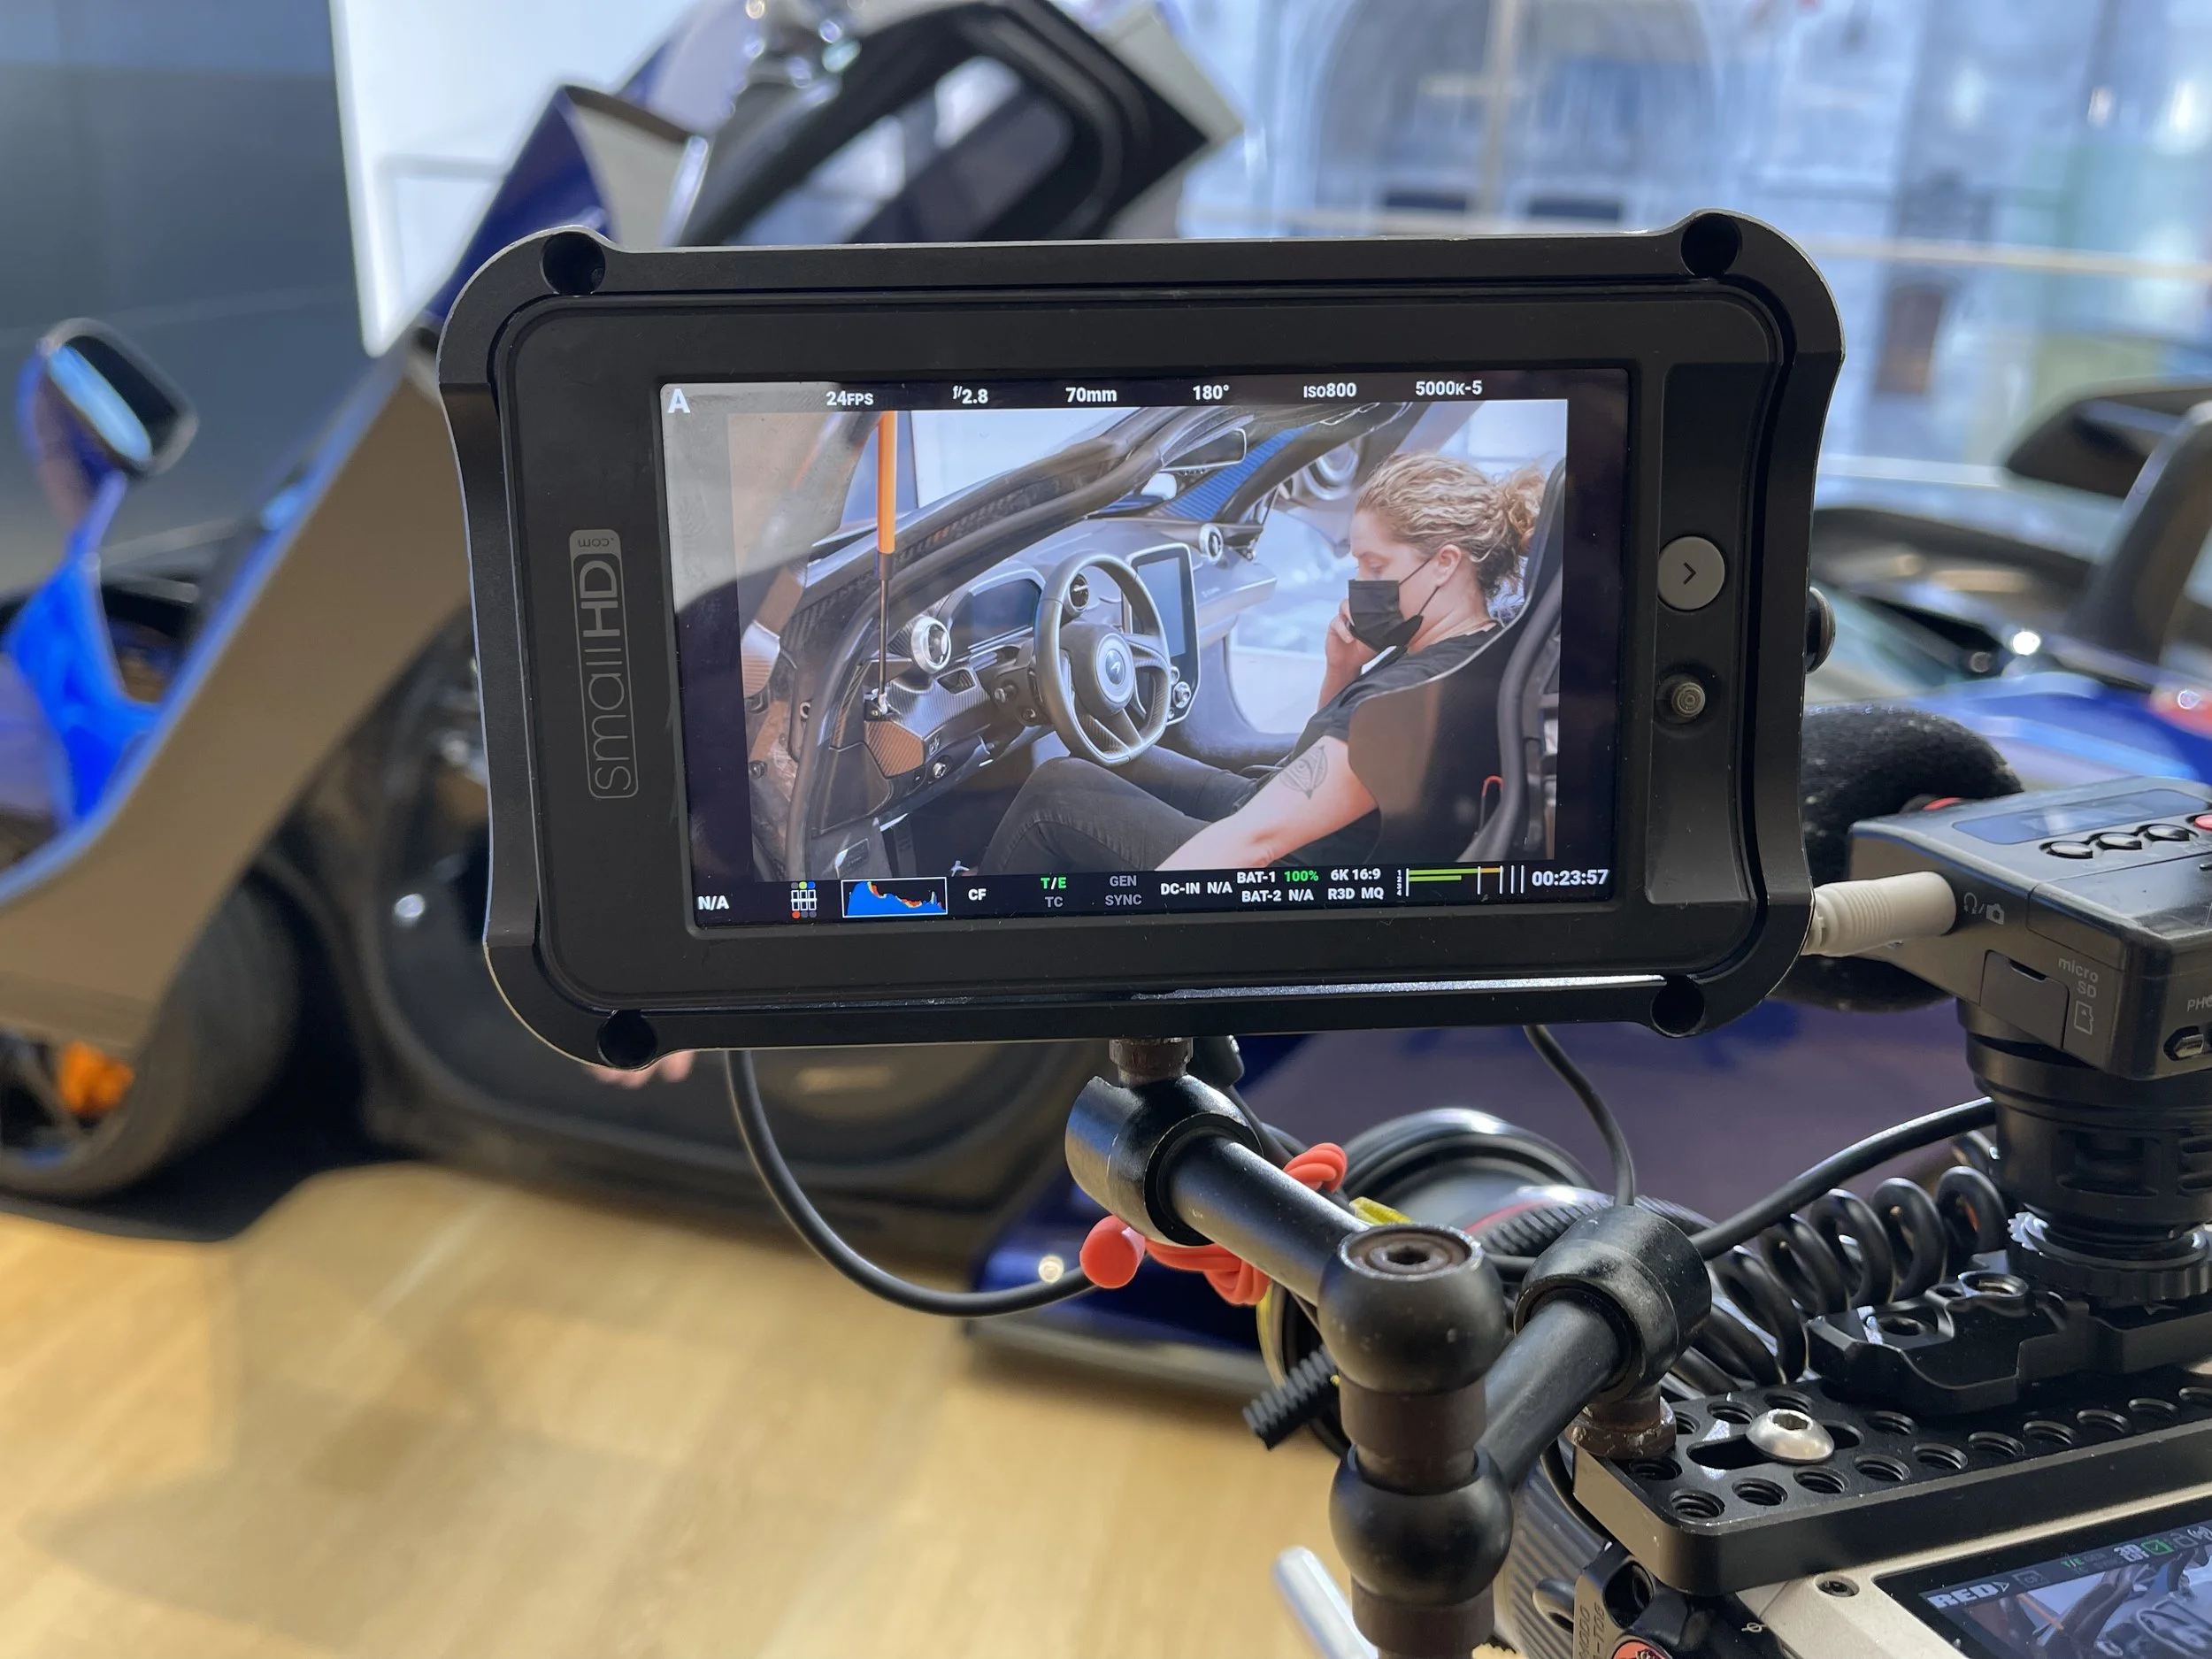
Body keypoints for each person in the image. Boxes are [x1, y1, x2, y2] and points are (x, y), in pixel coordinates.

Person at [979, 451, 1546, 875]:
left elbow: (1258, 843)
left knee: (1056, 794)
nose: (1361, 585)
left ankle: (986, 970)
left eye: (1376, 565)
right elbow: (1331, 772)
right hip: (1297, 828)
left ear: (1446, 563)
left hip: (1284, 874)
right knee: (1115, 760)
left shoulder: (1410, 697)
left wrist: (1151, 918)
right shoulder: (1472, 654)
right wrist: (1342, 673)